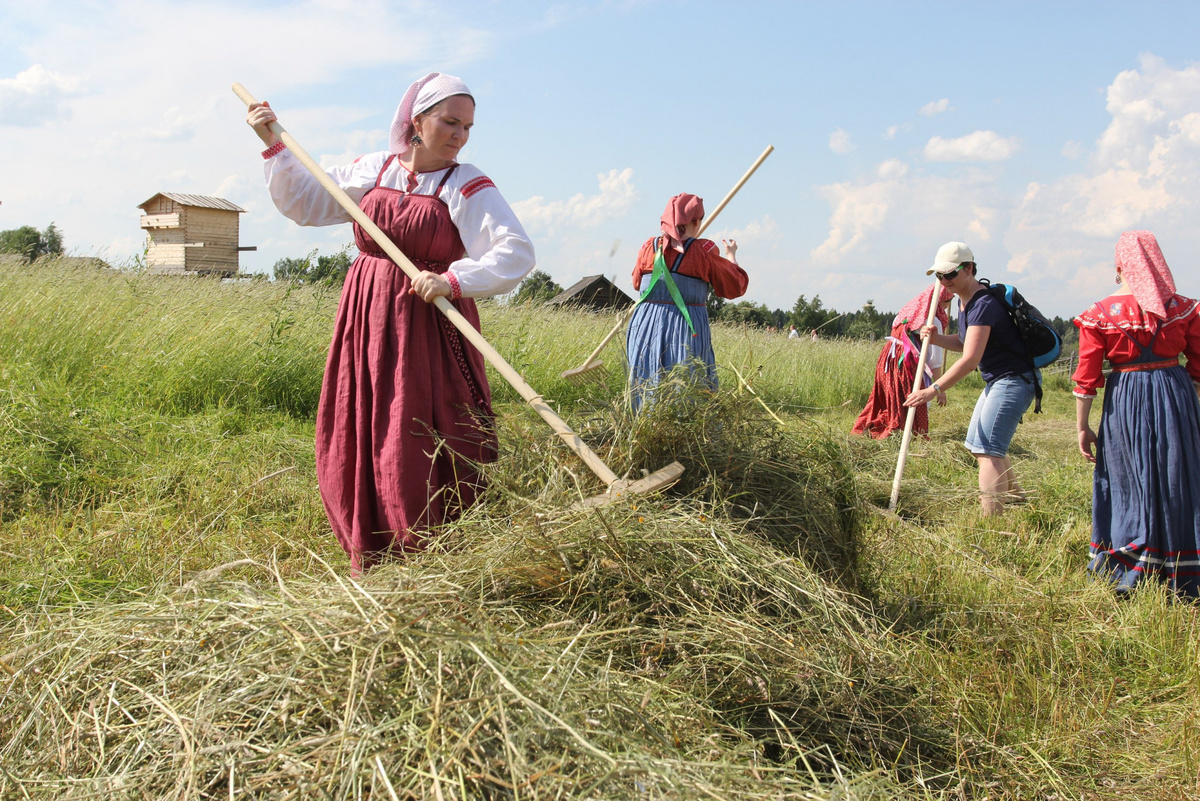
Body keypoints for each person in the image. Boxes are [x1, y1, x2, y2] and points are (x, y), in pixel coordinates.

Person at [246, 73, 535, 573]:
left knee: (419, 424)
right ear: (416, 122)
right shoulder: (373, 169)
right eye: (449, 122)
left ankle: (432, 541)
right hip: (367, 313)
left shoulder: (466, 183)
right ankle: (372, 541)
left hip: (429, 319)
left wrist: (453, 280)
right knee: (366, 417)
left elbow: (514, 250)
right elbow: (306, 201)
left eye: (466, 126)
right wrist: (272, 141)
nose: (458, 135)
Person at [1073, 231, 1200, 597]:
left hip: (1126, 398)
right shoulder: (1182, 308)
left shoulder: (1100, 314)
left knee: (1128, 476)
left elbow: (1086, 379)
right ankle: (1181, 564)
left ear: (1118, 266)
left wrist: (1081, 426)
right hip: (1175, 393)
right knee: (1177, 475)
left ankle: (1129, 559)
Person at [904, 242, 1036, 515]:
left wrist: (934, 388)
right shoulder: (967, 303)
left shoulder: (983, 303)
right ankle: (1014, 497)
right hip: (999, 380)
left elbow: (970, 359)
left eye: (950, 275)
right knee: (979, 445)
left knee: (988, 450)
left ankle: (992, 522)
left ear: (970, 269)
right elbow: (966, 342)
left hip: (1013, 380)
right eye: (939, 277)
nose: (944, 282)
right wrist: (937, 338)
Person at [625, 193, 748, 412]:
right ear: (696, 222)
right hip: (683, 327)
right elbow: (734, 286)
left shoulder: (648, 247)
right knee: (686, 382)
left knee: (645, 379)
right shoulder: (703, 251)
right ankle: (682, 436)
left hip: (644, 326)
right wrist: (731, 256)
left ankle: (644, 427)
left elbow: (637, 283)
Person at [853, 284, 952, 439]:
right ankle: (905, 433)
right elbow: (934, 361)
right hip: (905, 364)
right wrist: (940, 389)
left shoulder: (907, 312)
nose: (947, 307)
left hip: (887, 360)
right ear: (941, 301)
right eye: (948, 302)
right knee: (914, 399)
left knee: (889, 399)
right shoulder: (933, 321)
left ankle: (879, 427)